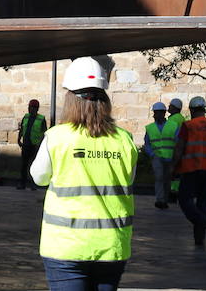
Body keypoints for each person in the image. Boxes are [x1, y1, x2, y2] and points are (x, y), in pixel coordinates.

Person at [31, 57, 138, 291]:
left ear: (70, 100)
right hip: (112, 246)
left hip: (65, 247)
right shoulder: (124, 140)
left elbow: (38, 178)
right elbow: (128, 180)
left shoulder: (56, 137)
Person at [173, 96, 206, 247]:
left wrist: (173, 168)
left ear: (192, 110)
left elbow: (179, 149)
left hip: (191, 169)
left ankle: (201, 221)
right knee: (204, 204)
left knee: (184, 200)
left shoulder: (188, 126)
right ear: (204, 110)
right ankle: (199, 239)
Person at [142, 101, 180, 210]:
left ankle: (165, 198)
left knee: (167, 179)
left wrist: (176, 156)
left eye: (158, 113)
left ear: (163, 113)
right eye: (155, 112)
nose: (155, 115)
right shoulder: (150, 128)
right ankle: (160, 200)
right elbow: (147, 143)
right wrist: (152, 154)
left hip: (170, 157)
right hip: (157, 157)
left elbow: (178, 141)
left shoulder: (173, 126)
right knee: (159, 178)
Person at [17, 99, 48, 190]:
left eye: (33, 107)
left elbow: (44, 132)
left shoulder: (41, 119)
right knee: (24, 165)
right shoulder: (26, 117)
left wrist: (40, 145)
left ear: (37, 109)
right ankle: (22, 183)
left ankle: (33, 184)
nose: (30, 109)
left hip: (35, 146)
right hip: (26, 144)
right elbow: (22, 129)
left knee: (34, 166)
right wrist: (19, 139)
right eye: (30, 107)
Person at [165, 98, 185, 199]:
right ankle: (175, 191)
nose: (169, 107)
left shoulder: (173, 119)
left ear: (175, 108)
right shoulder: (181, 118)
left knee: (172, 172)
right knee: (177, 173)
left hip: (172, 150)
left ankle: (173, 193)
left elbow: (167, 134)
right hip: (179, 149)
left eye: (170, 106)